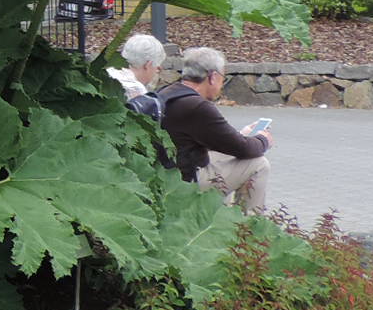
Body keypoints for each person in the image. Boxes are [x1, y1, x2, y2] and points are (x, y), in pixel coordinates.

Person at [153, 46, 273, 211]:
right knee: (258, 164)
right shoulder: (197, 107)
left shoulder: (166, 92)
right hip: (186, 181)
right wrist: (263, 140)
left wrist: (241, 135)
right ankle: (249, 224)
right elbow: (243, 148)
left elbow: (221, 140)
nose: (222, 84)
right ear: (213, 77)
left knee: (229, 157)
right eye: (223, 78)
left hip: (166, 171)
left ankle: (222, 213)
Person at [107, 32, 168, 102]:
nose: (156, 72)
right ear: (148, 65)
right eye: (157, 68)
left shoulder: (108, 73)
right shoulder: (137, 91)